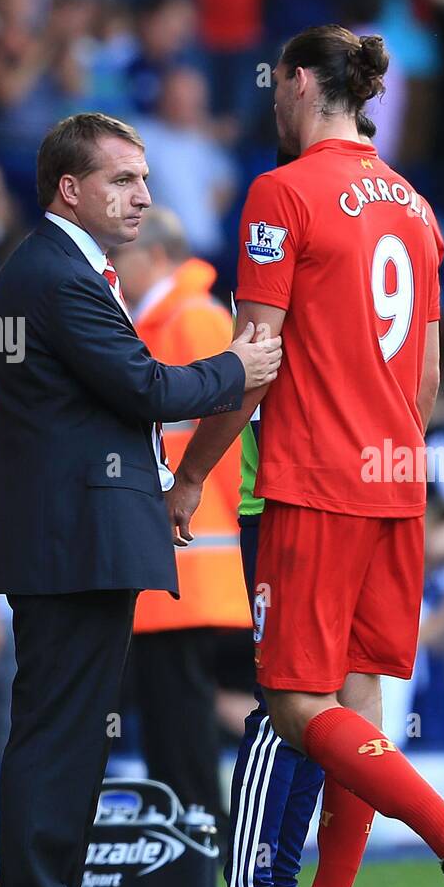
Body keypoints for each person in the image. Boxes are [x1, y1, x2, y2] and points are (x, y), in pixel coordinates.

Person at [164, 26, 444, 887]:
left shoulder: (282, 192)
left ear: (304, 83)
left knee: (294, 703)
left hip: (313, 480)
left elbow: (254, 359)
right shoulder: (415, 205)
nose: (272, 100)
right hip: (397, 481)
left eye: (277, 83)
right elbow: (429, 378)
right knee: (355, 701)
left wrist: (193, 473)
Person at [0, 111, 281, 887]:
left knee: (65, 727)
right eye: (121, 179)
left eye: (145, 178)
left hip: (77, 535)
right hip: (71, 539)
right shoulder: (57, 273)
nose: (142, 194)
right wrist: (240, 369)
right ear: (69, 189)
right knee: (60, 729)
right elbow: (143, 385)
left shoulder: (65, 269)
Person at [112, 206, 253, 822]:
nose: (111, 270)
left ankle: (197, 847)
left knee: (183, 721)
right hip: (181, 560)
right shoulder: (169, 319)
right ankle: (190, 843)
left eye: (121, 257)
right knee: (174, 718)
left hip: (193, 557)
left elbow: (222, 431)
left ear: (158, 256)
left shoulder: (191, 321)